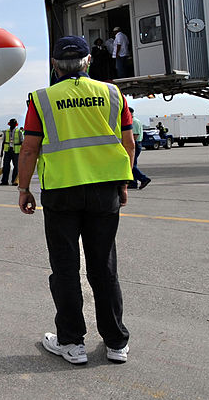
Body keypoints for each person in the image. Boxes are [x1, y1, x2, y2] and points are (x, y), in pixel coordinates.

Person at [17, 35, 134, 365]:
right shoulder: (112, 93)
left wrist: (24, 189)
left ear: (54, 65)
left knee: (66, 269)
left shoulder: (41, 99)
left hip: (62, 193)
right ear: (88, 62)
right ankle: (115, 343)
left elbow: (29, 149)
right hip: (104, 191)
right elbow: (128, 144)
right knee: (103, 268)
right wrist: (122, 183)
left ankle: (71, 343)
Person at [129, 107, 151, 189]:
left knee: (130, 164)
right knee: (133, 163)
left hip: (135, 144)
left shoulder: (133, 122)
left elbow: (134, 136)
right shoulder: (135, 121)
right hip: (136, 144)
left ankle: (143, 178)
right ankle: (133, 183)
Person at [0, 118, 23, 185]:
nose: (12, 125)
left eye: (14, 124)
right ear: (9, 124)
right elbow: (3, 142)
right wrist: (1, 152)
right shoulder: (6, 132)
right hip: (7, 151)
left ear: (16, 124)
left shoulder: (19, 132)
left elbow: (22, 142)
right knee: (6, 166)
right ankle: (4, 181)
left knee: (16, 166)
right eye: (11, 123)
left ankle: (14, 181)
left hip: (16, 152)